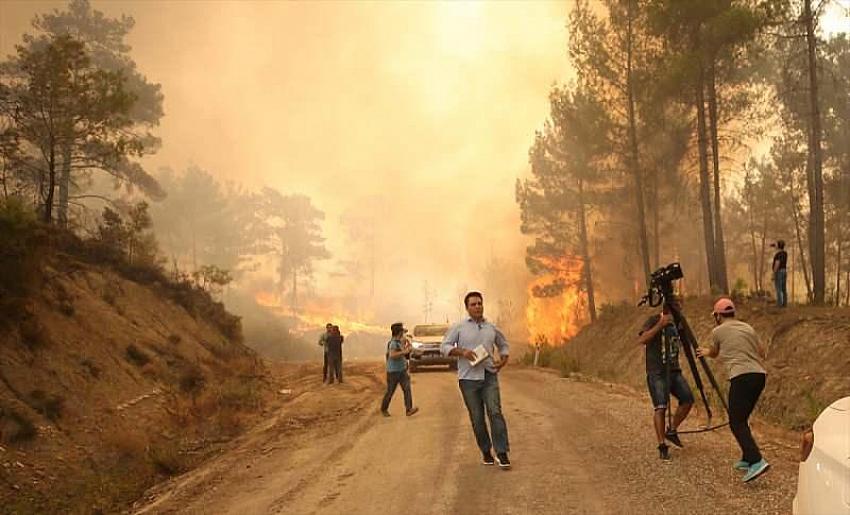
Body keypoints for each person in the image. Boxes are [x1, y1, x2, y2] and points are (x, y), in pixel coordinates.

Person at [697, 298, 770, 483]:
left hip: (741, 377)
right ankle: (747, 458)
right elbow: (762, 352)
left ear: (718, 316)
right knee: (742, 419)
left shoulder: (718, 331)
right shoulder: (748, 328)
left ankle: (756, 460)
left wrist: (705, 352)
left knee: (735, 422)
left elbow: (714, 352)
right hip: (759, 376)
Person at [441, 291, 511, 469]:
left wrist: (503, 360)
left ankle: (502, 453)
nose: (478, 306)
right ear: (467, 308)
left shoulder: (491, 327)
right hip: (468, 379)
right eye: (473, 304)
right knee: (477, 418)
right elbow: (444, 347)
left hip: (489, 376)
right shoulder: (459, 327)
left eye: (480, 303)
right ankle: (486, 452)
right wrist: (462, 352)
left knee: (495, 413)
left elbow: (503, 345)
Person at [636, 300, 694, 460]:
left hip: (674, 371)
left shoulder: (677, 325)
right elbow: (642, 340)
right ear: (669, 309)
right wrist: (659, 326)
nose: (680, 312)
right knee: (660, 407)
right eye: (677, 308)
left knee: (688, 399)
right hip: (657, 372)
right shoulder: (654, 320)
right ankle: (662, 445)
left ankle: (672, 429)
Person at [380, 322, 418, 417]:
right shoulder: (393, 344)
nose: (403, 333)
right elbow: (392, 355)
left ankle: (409, 409)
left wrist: (407, 346)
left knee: (407, 389)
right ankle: (384, 409)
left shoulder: (398, 343)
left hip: (402, 371)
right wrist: (405, 351)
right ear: (399, 332)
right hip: (393, 372)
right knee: (390, 391)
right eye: (402, 331)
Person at [772, 240, 788, 307]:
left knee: (778, 288)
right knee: (783, 288)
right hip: (784, 271)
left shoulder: (778, 254)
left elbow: (777, 263)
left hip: (779, 272)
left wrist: (774, 273)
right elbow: (779, 248)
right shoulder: (785, 253)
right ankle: (784, 303)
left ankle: (779, 304)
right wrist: (775, 246)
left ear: (778, 246)